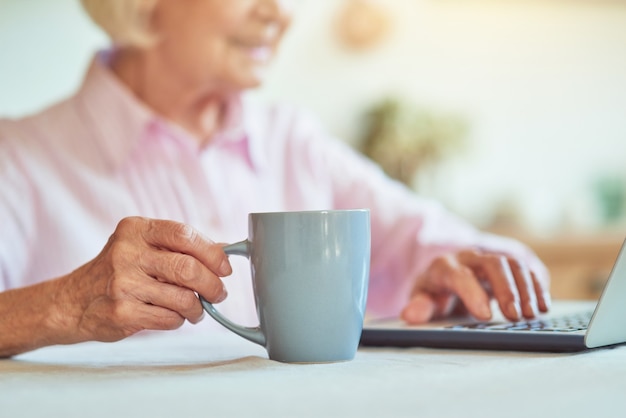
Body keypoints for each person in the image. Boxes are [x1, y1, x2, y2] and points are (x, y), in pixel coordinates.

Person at [0, 0, 550, 358]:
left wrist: (475, 272)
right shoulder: (18, 156)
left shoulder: (294, 140)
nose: (280, 12)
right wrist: (63, 303)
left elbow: (476, 252)